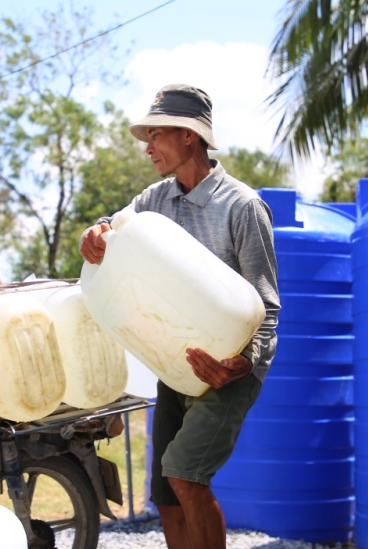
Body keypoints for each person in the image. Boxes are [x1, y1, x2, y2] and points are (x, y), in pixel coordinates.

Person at [79, 84, 280, 549]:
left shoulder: (243, 207)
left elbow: (268, 306)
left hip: (230, 367)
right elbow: (113, 229)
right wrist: (95, 234)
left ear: (190, 136)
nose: (148, 147)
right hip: (176, 361)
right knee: (167, 492)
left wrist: (242, 364)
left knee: (186, 476)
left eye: (156, 134)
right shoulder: (155, 199)